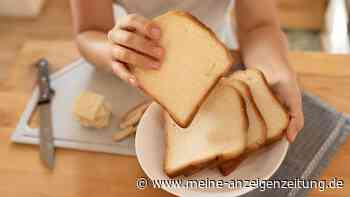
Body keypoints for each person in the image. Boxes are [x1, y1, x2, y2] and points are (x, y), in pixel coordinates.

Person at [70, 0, 304, 142]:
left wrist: (277, 75)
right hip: (137, 67)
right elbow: (89, 33)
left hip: (219, 62)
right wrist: (113, 51)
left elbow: (258, 26)